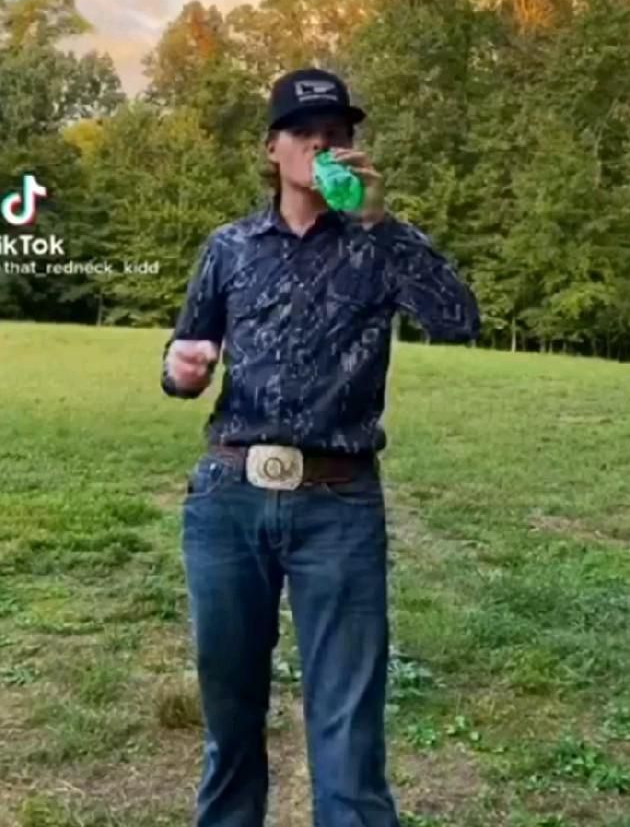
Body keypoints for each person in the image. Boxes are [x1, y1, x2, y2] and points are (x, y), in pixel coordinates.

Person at [161, 66, 481, 827]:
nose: (322, 144)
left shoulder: (378, 243)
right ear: (273, 148)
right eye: (305, 133)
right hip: (228, 500)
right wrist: (180, 370)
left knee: (347, 729)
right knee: (231, 716)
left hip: (338, 505)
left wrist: (383, 223)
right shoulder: (230, 247)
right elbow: (185, 358)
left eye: (336, 134)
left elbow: (459, 318)